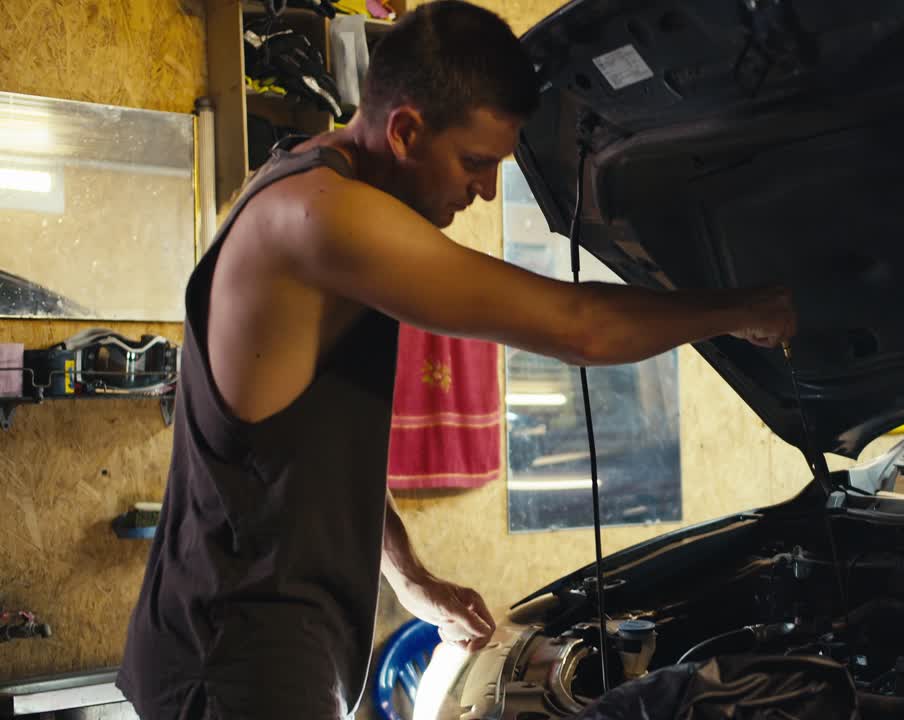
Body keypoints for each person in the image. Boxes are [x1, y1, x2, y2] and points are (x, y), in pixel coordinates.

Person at [117, 1, 796, 718]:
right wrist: (743, 310)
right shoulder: (321, 218)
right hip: (234, 662)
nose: (485, 190)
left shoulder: (304, 181)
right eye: (475, 162)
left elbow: (302, 450)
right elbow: (581, 326)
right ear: (405, 129)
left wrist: (409, 576)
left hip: (241, 642)